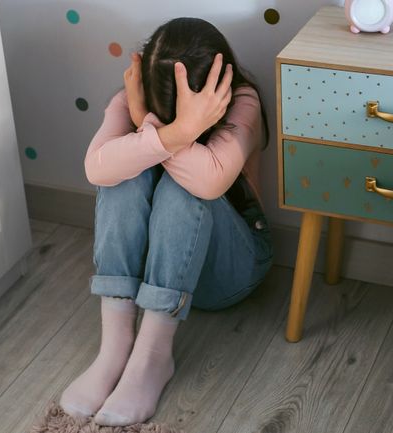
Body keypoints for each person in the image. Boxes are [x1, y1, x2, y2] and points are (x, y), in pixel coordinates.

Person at [60, 17, 272, 426]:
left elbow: (210, 181)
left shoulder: (243, 101)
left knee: (185, 186)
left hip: (229, 270)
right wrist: (166, 129)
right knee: (121, 173)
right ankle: (116, 348)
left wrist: (158, 129)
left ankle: (153, 357)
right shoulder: (132, 97)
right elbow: (96, 170)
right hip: (151, 275)